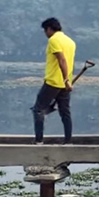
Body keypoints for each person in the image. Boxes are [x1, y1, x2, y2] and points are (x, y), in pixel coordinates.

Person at [32, 17, 76, 145]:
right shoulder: (70, 41)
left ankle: (39, 140)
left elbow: (62, 60)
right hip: (65, 84)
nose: (46, 34)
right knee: (65, 111)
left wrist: (65, 79)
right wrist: (67, 81)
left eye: (45, 31)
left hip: (53, 81)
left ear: (49, 29)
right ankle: (68, 141)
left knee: (38, 109)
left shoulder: (54, 40)